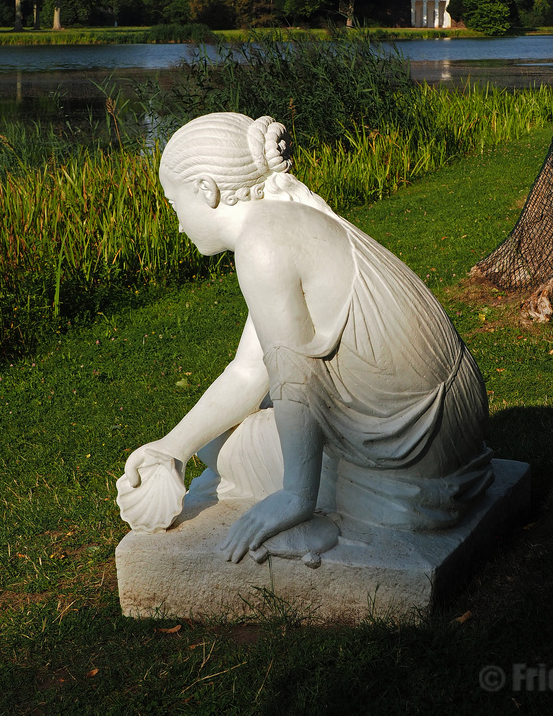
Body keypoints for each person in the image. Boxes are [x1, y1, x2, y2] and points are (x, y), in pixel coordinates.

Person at [117, 112, 494, 562]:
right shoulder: (287, 217)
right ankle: (340, 488)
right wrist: (171, 448)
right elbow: (251, 370)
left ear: (205, 189)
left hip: (418, 453)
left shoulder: (262, 246)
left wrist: (295, 498)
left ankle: (328, 509)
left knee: (222, 447)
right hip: (458, 424)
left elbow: (295, 385)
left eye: (174, 204)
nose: (178, 224)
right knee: (210, 435)